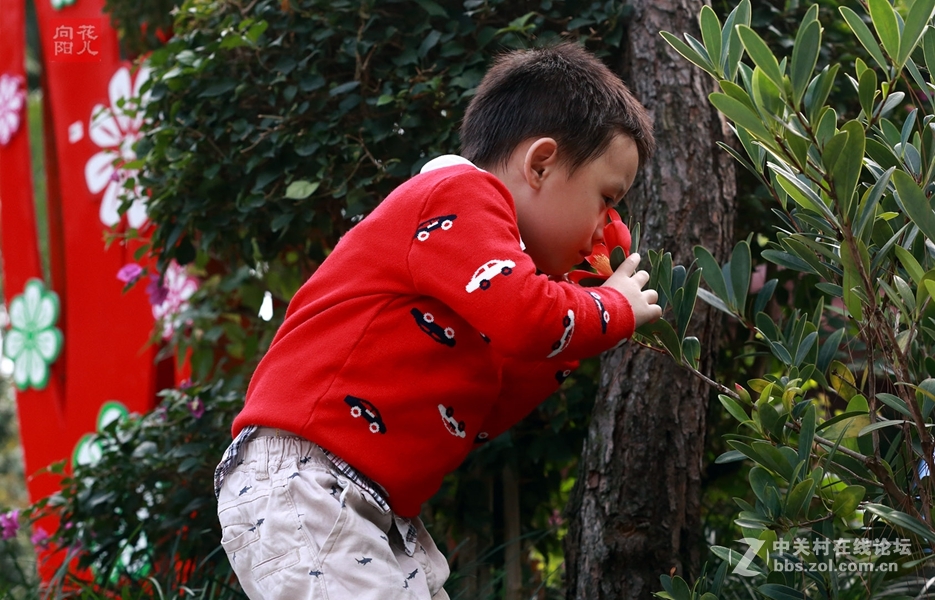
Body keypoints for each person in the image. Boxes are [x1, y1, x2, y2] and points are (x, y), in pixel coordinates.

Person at [214, 42, 661, 599]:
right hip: (311, 476)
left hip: (371, 502)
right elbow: (528, 320)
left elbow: (489, 406)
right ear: (541, 163)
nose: (607, 226)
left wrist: (575, 311)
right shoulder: (461, 194)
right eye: (606, 198)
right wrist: (609, 308)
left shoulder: (486, 281)